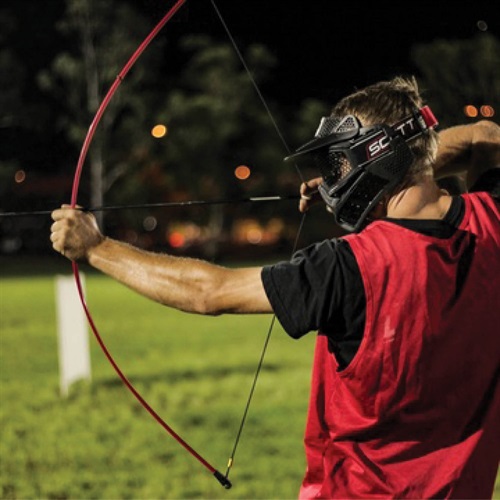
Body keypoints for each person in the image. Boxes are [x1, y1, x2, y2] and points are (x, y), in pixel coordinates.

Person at [51, 76, 500, 498]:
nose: (333, 174)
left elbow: (209, 292)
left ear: (374, 156)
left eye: (340, 161)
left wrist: (96, 248)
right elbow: (485, 135)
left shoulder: (351, 266)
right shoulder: (492, 221)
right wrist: (375, 171)